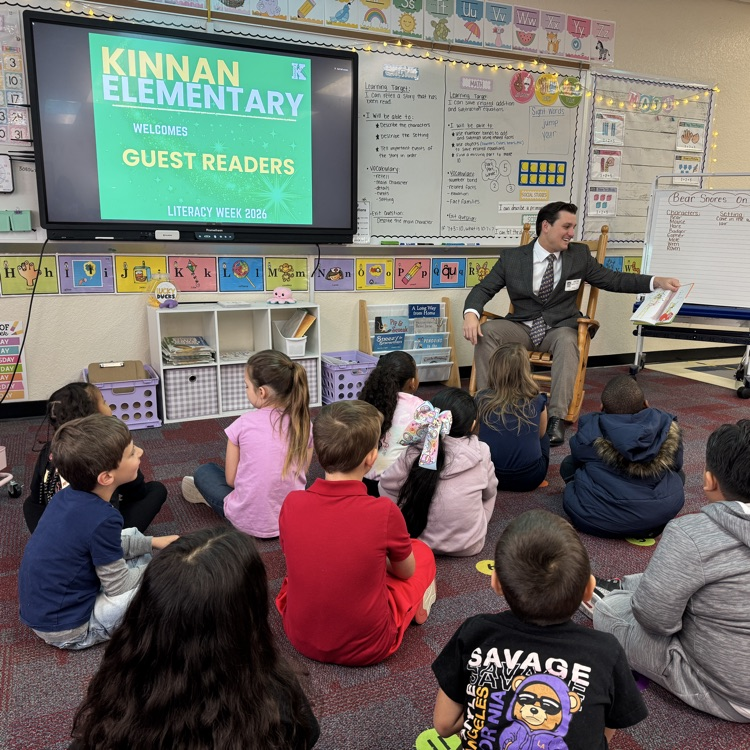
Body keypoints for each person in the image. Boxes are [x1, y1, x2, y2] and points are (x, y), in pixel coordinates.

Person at [69, 526, 320, 750]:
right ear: (247, 615)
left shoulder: (120, 685)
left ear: (146, 608)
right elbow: (308, 734)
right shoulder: (274, 699)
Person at [463, 201, 680, 445]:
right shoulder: (513, 258)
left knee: (569, 341)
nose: (571, 233)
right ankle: (487, 406)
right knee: (487, 331)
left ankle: (556, 417)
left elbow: (613, 279)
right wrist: (471, 312)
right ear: (546, 226)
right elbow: (483, 288)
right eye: (566, 226)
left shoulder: (579, 256)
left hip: (559, 328)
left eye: (573, 227)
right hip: (522, 326)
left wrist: (655, 282)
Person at [431, 509, 647, 749]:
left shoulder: (475, 632)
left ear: (496, 583)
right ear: (589, 590)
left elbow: (444, 725)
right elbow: (609, 725)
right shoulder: (606, 651)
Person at [587, 420, 750, 723]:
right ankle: (628, 585)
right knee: (657, 582)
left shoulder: (690, 533)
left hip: (728, 693)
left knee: (610, 610)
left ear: (709, 481)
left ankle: (607, 592)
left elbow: (656, 623)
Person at [276, 400, 437, 667]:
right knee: (421, 553)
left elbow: (293, 551)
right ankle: (414, 604)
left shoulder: (292, 502)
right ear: (371, 458)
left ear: (318, 452)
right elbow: (405, 572)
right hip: (369, 645)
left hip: (298, 635)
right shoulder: (383, 511)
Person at [18, 414, 178, 650]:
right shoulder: (104, 518)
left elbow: (101, 543)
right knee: (167, 582)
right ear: (106, 477)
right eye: (132, 453)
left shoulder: (66, 496)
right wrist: (167, 566)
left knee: (133, 539)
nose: (141, 452)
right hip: (70, 629)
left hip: (45, 613)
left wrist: (153, 542)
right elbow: (119, 586)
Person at [181, 350, 312, 539]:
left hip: (246, 520)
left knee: (205, 471)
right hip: (292, 518)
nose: (246, 390)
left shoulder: (242, 423)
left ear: (261, 392)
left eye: (246, 386)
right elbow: (302, 472)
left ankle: (210, 499)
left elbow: (232, 481)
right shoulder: (305, 425)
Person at [23, 381, 167, 534]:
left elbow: (36, 495)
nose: (108, 405)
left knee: (29, 503)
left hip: (58, 522)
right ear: (95, 419)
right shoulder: (106, 450)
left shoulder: (49, 450)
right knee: (156, 490)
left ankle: (46, 537)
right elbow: (137, 491)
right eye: (104, 401)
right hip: (97, 531)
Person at [561, 374, 684, 538]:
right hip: (656, 517)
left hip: (597, 520)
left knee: (568, 465)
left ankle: (596, 499)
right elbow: (677, 465)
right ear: (646, 404)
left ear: (601, 408)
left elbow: (576, 459)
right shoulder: (666, 426)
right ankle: (647, 518)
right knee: (677, 475)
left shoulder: (591, 428)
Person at [379, 388, 497, 556]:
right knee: (490, 490)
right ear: (472, 424)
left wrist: (398, 517)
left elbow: (385, 485)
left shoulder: (413, 451)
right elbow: (489, 491)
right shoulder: (482, 451)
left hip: (415, 540)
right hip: (469, 545)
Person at [476, 343, 549, 492]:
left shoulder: (480, 398)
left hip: (488, 476)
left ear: (493, 370)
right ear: (525, 370)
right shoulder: (537, 399)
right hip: (530, 478)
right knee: (545, 435)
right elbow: (541, 434)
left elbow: (476, 435)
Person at [358, 350, 423, 495]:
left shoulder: (366, 400)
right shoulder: (420, 408)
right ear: (412, 382)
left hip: (359, 480)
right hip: (395, 486)